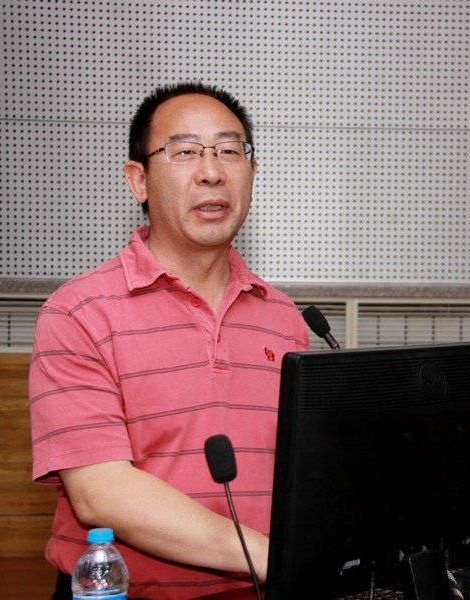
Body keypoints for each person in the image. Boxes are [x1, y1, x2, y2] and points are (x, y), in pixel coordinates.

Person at [29, 82, 310, 599]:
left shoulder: (283, 318)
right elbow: (100, 493)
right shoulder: (79, 312)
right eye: (184, 152)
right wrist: (282, 559)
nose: (211, 171)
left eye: (230, 151)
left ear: (252, 171)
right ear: (139, 180)